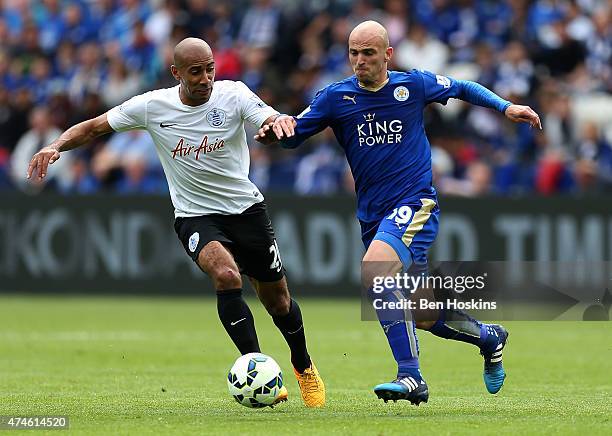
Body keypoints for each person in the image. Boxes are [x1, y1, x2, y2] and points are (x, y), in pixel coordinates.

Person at [26, 37, 325, 408]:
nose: (205, 78)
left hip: (246, 211)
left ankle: (303, 364)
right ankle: (259, 370)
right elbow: (94, 127)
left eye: (210, 69)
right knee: (227, 276)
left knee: (278, 302)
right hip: (195, 215)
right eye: (195, 71)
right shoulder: (153, 106)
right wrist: (56, 145)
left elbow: (267, 116)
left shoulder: (233, 94)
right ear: (176, 73)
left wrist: (278, 121)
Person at [256, 21, 542, 405]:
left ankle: (411, 377)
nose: (360, 61)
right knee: (422, 314)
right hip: (373, 216)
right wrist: (276, 130)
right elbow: (293, 136)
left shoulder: (414, 85)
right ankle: (489, 338)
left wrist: (506, 106)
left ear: (387, 54)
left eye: (368, 53)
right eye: (354, 53)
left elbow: (462, 87)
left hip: (415, 203)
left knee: (374, 271)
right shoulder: (334, 98)